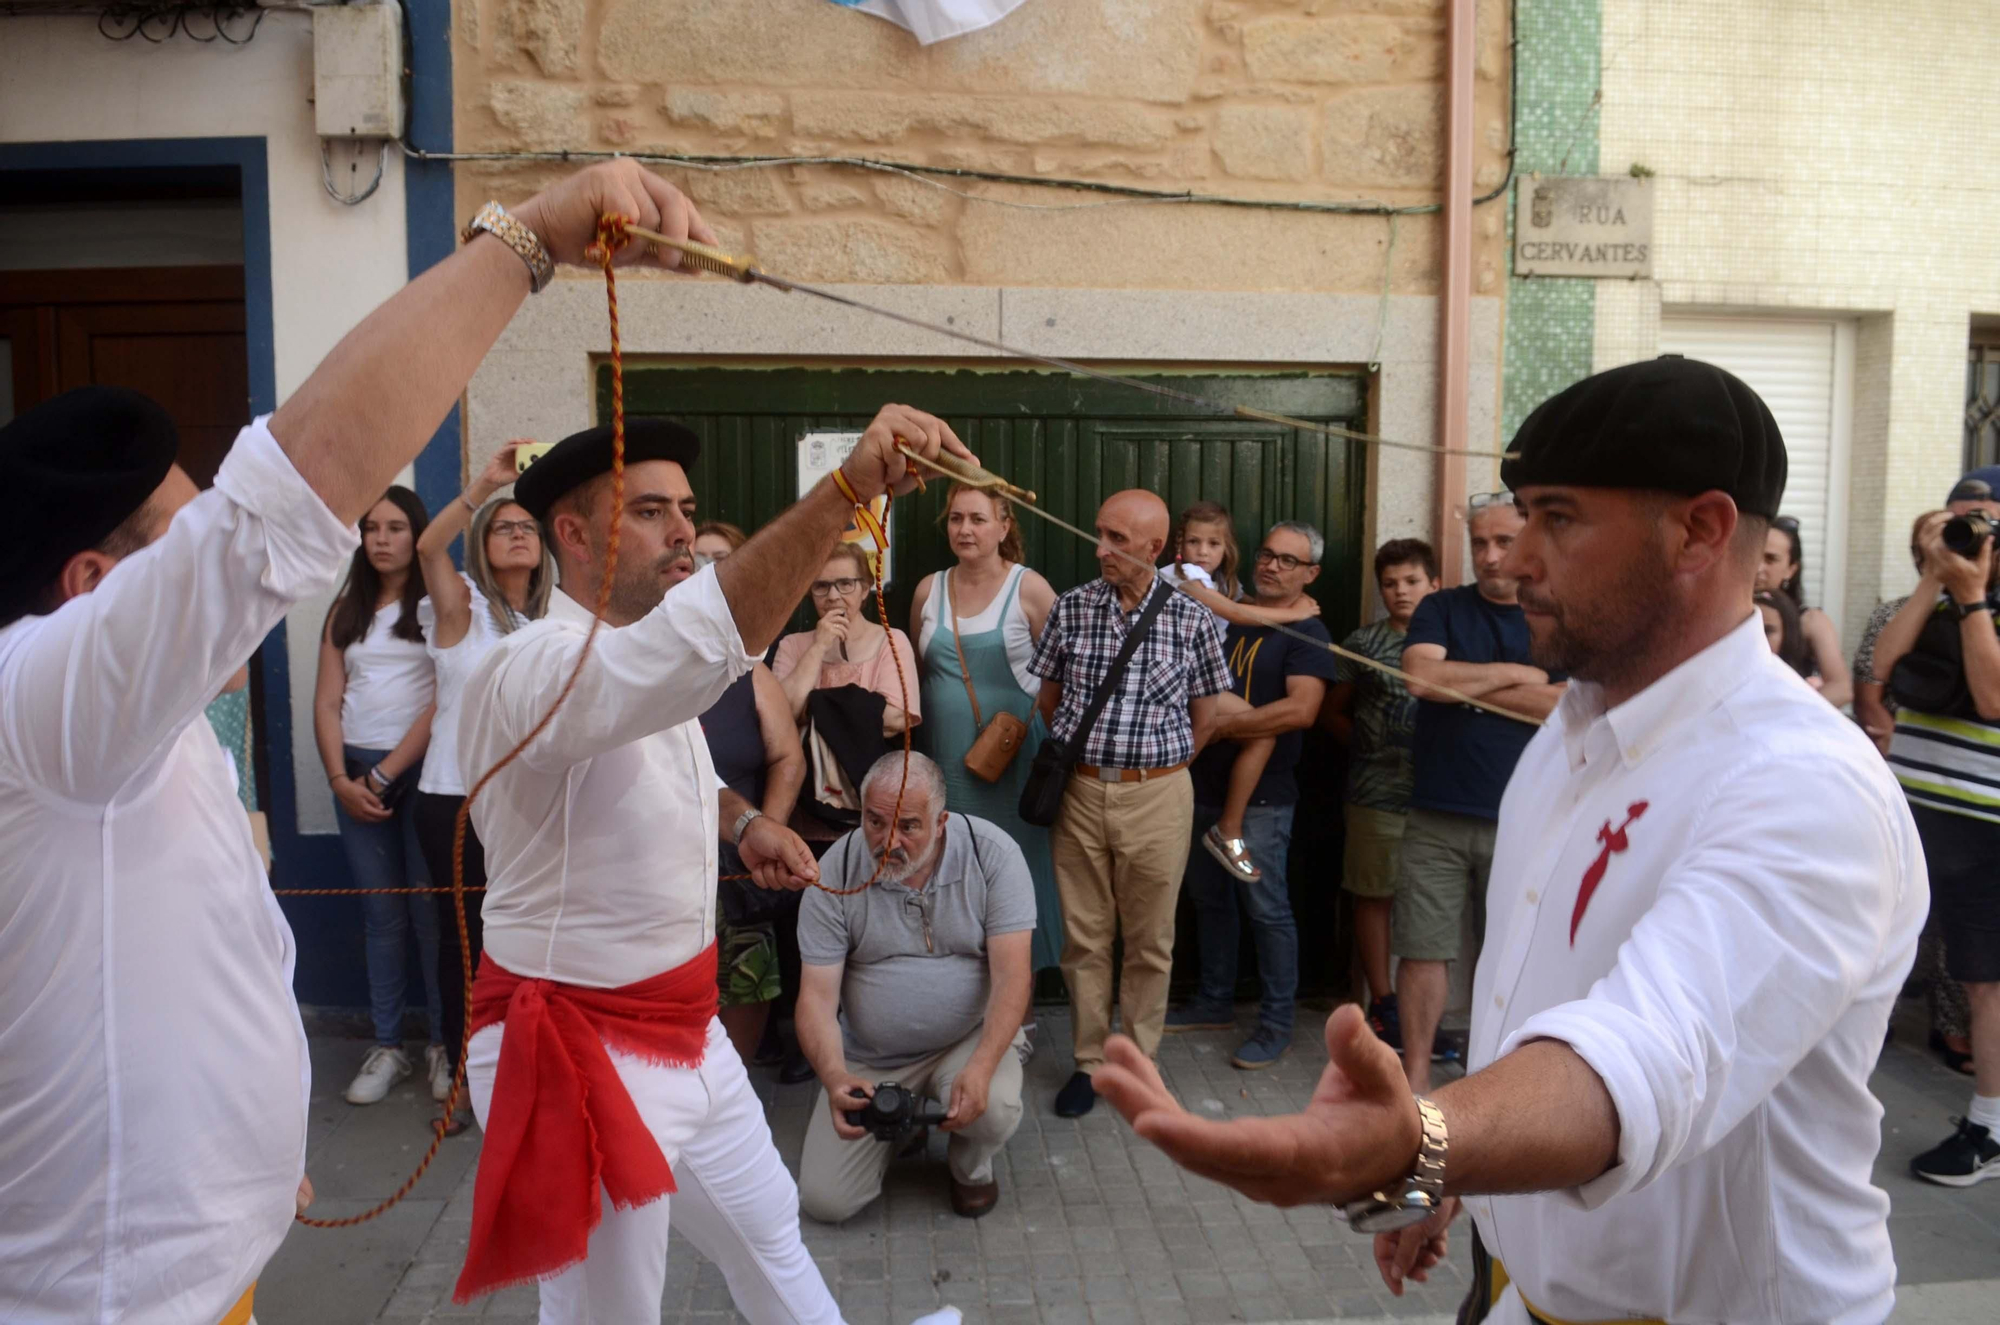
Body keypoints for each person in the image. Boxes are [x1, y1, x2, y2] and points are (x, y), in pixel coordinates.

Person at [0, 155, 706, 1324]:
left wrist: (253, 1158)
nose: (220, 578)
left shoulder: (149, 731)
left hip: (204, 1266)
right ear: (92, 587)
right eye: (177, 546)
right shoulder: (41, 704)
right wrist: (530, 237)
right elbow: (293, 489)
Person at [1096, 356, 1927, 1325]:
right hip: (1516, 1287)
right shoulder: (1569, 730)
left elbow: (1647, 1055)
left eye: (1557, 516)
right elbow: (1537, 995)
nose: (1511, 556)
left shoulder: (1800, 784)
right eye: (1518, 515)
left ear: (1698, 529)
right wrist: (1463, 1178)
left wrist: (1421, 1138)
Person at [452, 402, 975, 1319]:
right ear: (570, 534)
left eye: (685, 507)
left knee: (767, 1223)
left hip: (685, 1023)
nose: (684, 529)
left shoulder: (631, 663)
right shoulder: (532, 665)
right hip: (579, 1047)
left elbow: (658, 762)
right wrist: (846, 494)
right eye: (650, 510)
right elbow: (690, 647)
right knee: (607, 1308)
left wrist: (739, 824)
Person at [1027, 489, 1231, 1119]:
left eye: (1117, 539)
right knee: (1085, 939)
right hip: (1082, 792)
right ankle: (1090, 1063)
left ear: (1155, 548)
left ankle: (1137, 1063)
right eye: (1100, 533)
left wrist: (1160, 772)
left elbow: (1209, 715)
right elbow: (1049, 701)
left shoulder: (1192, 617)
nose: (1101, 549)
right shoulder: (1072, 608)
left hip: (1160, 794)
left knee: (1150, 940)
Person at [795, 753, 1035, 1222]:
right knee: (825, 1202)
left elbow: (1013, 978)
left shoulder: (993, 855)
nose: (889, 841)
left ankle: (969, 1168)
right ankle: (904, 1123)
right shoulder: (835, 873)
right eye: (875, 822)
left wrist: (983, 1064)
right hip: (872, 1056)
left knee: (996, 1105)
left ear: (941, 822)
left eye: (909, 826)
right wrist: (835, 1076)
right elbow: (816, 1001)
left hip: (967, 1040)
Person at [1394, 496, 1564, 1090]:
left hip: (1529, 818)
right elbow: (1419, 678)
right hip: (1437, 811)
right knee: (1421, 949)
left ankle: (1493, 1077)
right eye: (1479, 544)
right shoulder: (1441, 606)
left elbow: (1567, 704)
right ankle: (1415, 1080)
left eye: (1503, 542)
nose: (1491, 557)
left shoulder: (1557, 612)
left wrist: (1461, 684)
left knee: (1514, 954)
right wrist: (1520, 676)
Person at [411, 441, 556, 1133]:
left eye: (528, 524)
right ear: (484, 543)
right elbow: (427, 546)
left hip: (530, 802)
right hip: (454, 798)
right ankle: (464, 1080)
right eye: (504, 526)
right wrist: (484, 486)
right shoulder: (462, 606)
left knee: (528, 934)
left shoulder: (558, 618)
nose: (519, 532)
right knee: (464, 940)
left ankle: (526, 1068)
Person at [1165, 522, 1341, 1069]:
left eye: (1288, 561)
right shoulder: (1231, 613)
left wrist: (1221, 728)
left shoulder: (1308, 634)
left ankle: (1276, 1024)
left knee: (1267, 911)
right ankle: (1215, 1002)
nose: (1272, 566)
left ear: (1310, 574)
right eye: (1267, 554)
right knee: (1210, 901)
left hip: (1262, 805)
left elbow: (1301, 712)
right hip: (1203, 790)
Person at [1869, 468, 2000, 1187]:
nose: (1968, 533)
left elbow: (1992, 695)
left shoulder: (1980, 606)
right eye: (1956, 519)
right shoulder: (1929, 603)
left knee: (1986, 980)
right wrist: (1934, 580)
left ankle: (1990, 1126)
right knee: (1875, 952)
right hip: (1910, 812)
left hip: (1986, 824)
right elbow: (1883, 666)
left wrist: (1974, 595)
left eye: (1982, 521)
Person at [313, 484, 447, 1106]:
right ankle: (388, 1045)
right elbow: (326, 701)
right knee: (381, 918)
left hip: (420, 776)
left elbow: (444, 697)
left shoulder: (438, 605)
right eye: (371, 528)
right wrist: (342, 780)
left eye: (395, 527)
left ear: (416, 534)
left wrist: (386, 773)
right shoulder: (347, 609)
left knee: (430, 914)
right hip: (358, 780)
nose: (382, 539)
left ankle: (445, 1046)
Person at [908, 482, 1061, 974]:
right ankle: (963, 1003)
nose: (965, 529)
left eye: (977, 518)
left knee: (1016, 879)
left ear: (1003, 525)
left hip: (1011, 765)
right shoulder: (929, 590)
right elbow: (915, 670)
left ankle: (1023, 1014)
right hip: (944, 763)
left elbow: (1066, 675)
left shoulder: (1029, 588)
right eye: (956, 519)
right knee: (951, 874)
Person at [1158, 500, 1319, 880]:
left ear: (1227, 547)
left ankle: (1226, 826)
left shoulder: (1224, 582)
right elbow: (1233, 613)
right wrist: (1294, 614)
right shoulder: (1181, 574)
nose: (1203, 551)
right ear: (1181, 543)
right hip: (1175, 677)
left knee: (1260, 736)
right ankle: (1161, 794)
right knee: (1220, 732)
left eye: (1213, 544)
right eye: (1195, 542)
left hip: (1200, 680)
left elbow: (1242, 602)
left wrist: (1294, 601)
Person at [1322, 538, 1439, 1049]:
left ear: (1433, 583)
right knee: (1374, 896)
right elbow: (1332, 711)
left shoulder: (1452, 640)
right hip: (1375, 794)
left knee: (1433, 905)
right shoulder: (1363, 643)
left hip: (1442, 796)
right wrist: (1369, 748)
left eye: (1411, 581)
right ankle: (1385, 1005)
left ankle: (1425, 1016)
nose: (1400, 592)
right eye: (1390, 584)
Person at [702, 654, 807, 1064]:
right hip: (665, 866)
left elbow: (788, 757)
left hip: (741, 863)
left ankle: (734, 1082)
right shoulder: (647, 665)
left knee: (748, 980)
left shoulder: (746, 671)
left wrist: (766, 831)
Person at [1756, 515, 1855, 706]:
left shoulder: (1810, 620)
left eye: (1770, 559)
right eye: (1753, 555)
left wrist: (1787, 716)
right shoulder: (1722, 614)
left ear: (1791, 569)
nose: (1759, 568)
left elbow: (1841, 689)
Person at [1753, 588, 1811, 675]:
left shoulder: (1801, 686)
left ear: (1788, 635)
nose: (1756, 638)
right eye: (1750, 629)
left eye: (1767, 631)